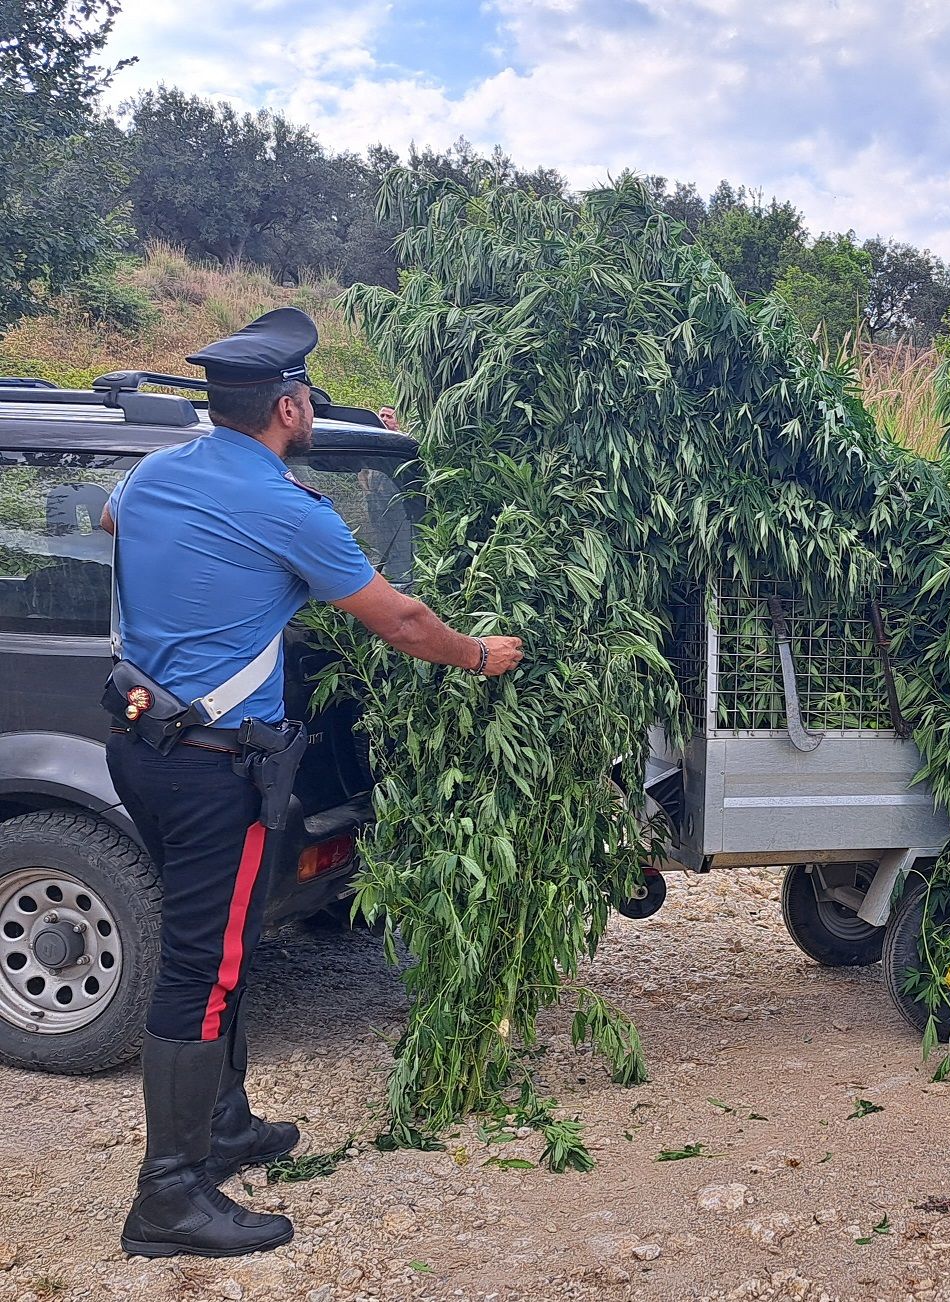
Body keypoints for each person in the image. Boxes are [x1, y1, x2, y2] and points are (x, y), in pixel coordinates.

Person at [102, 307, 523, 1258]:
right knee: (202, 967)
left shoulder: (150, 475)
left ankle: (222, 1125)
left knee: (222, 942)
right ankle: (168, 1197)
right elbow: (405, 621)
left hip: (141, 748)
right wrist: (482, 656)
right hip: (217, 769)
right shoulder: (287, 507)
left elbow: (111, 520)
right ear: (290, 407)